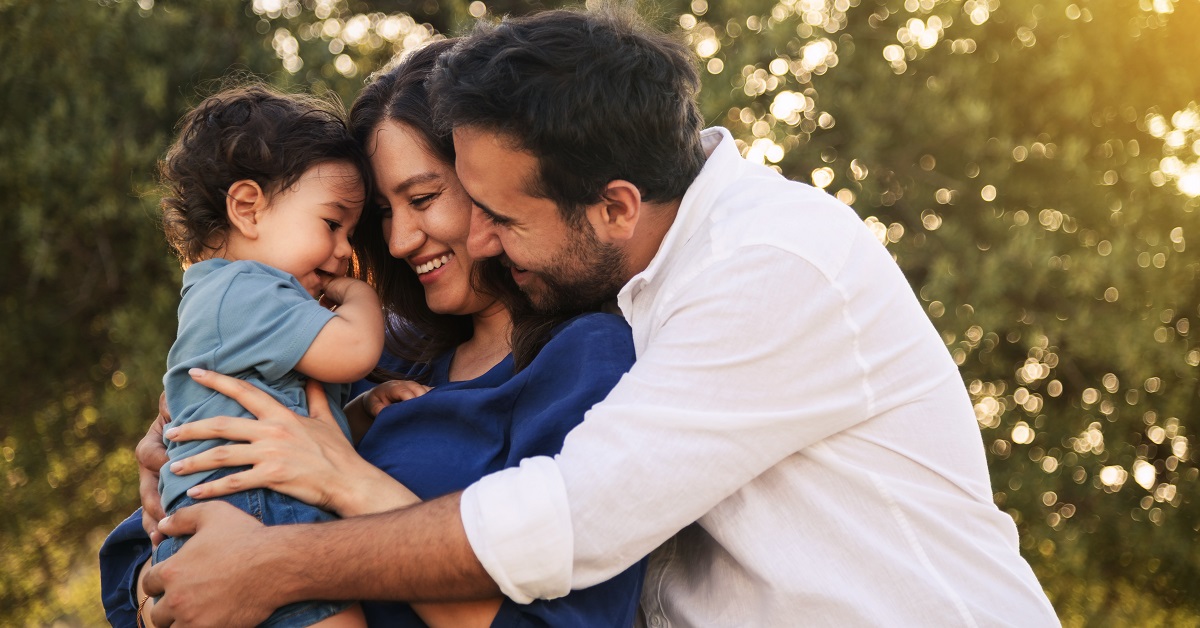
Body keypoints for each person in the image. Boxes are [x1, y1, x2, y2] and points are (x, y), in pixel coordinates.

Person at [137, 9, 1061, 627]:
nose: (483, 243)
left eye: (497, 214)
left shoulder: (770, 266)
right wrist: (186, 451)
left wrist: (282, 562)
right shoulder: (601, 291)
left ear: (614, 205)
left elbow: (568, 523)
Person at [100, 40, 645, 627]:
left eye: (423, 198)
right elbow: (133, 568)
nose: (398, 241)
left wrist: (342, 485)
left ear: (493, 184)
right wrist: (172, 493)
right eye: (383, 213)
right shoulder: (377, 351)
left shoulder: (590, 358)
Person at [148, 83, 384, 627]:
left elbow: (297, 423)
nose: (347, 251)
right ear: (248, 208)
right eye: (332, 224)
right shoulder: (248, 289)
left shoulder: (231, 298)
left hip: (231, 511)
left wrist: (362, 409)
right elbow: (354, 350)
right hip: (259, 511)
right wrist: (361, 295)